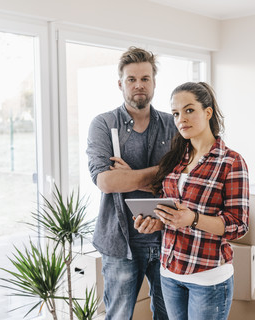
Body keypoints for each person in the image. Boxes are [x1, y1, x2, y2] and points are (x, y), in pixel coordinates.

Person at [135, 81, 249, 320]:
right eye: (176, 113)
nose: (181, 119)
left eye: (189, 110)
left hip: (208, 278)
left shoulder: (231, 162)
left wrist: (193, 219)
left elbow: (238, 225)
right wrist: (158, 222)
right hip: (169, 273)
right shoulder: (175, 160)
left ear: (207, 112)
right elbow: (172, 214)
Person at [86, 46, 175, 320]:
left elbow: (184, 179)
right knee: (118, 316)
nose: (139, 85)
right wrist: (159, 175)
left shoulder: (173, 125)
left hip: (166, 238)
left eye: (145, 78)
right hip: (119, 242)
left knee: (168, 315)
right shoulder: (103, 124)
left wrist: (130, 176)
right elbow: (106, 181)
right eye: (131, 79)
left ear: (154, 82)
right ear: (120, 84)